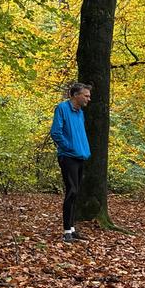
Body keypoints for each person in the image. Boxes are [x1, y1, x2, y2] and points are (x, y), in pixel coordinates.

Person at [49, 83, 92, 243]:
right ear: (75, 95)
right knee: (71, 191)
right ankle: (66, 231)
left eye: (88, 95)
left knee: (76, 192)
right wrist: (69, 147)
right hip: (68, 156)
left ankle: (72, 230)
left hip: (80, 156)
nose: (89, 98)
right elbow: (56, 132)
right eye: (86, 95)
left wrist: (81, 150)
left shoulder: (80, 112)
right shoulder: (62, 108)